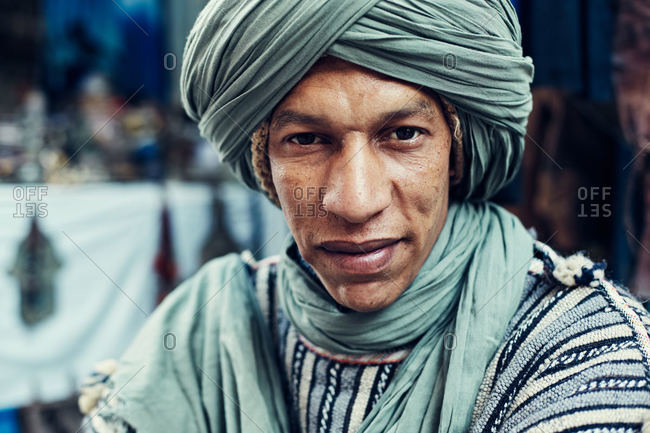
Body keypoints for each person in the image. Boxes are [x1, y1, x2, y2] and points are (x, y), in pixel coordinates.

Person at [78, 1, 650, 432]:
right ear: (262, 163)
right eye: (306, 139)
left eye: (403, 135)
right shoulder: (207, 328)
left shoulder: (579, 348)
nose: (354, 203)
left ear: (456, 150)